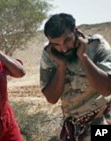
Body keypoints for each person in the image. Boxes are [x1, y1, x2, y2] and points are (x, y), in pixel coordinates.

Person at [40, 13, 111, 141]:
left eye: (67, 40)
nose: (64, 48)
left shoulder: (96, 44)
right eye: (56, 44)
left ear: (75, 31)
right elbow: (51, 98)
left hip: (103, 118)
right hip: (74, 126)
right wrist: (61, 67)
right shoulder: (49, 55)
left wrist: (83, 57)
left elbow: (106, 89)